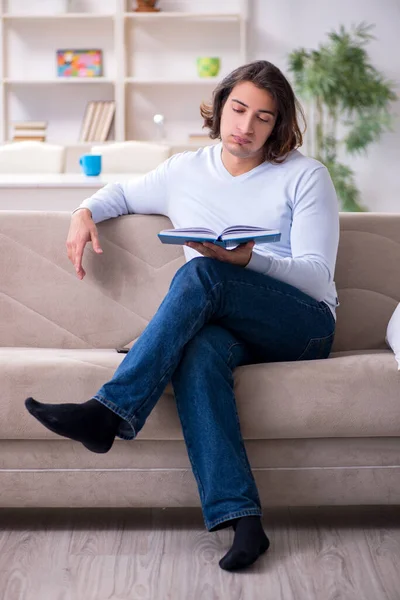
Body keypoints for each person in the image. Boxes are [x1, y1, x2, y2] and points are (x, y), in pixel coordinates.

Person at [24, 60, 340, 572]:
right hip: (224, 326)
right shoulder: (184, 170)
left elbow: (317, 275)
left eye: (263, 117)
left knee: (201, 276)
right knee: (197, 351)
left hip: (301, 325)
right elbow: (121, 194)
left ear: (278, 124)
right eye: (238, 109)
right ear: (219, 109)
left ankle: (110, 412)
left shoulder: (305, 176)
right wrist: (83, 211)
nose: (246, 126)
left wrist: (247, 260)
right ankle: (244, 522)